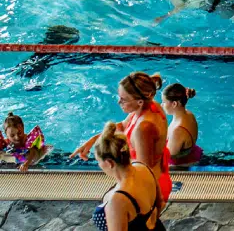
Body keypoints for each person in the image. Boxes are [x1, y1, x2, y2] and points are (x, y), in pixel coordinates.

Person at [72, 72, 172, 207]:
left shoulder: (143, 128)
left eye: (123, 99)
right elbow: (123, 126)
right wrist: (93, 140)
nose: (119, 102)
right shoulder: (148, 106)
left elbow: (146, 173)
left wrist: (154, 204)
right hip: (150, 180)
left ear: (140, 101)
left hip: (149, 189)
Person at [90, 122, 163, 231]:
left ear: (110, 163)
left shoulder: (118, 201)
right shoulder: (143, 168)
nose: (99, 165)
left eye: (98, 161)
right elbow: (160, 202)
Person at [162, 83, 202, 168]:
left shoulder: (178, 131)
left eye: (164, 102)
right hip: (194, 154)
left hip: (181, 165)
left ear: (174, 104)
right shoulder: (188, 114)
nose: (162, 105)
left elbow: (168, 157)